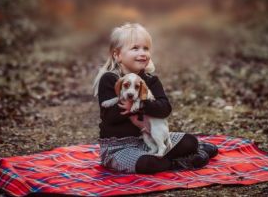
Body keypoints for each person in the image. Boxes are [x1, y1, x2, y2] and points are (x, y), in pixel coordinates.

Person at [93, 23, 218, 174]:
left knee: (190, 141)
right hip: (119, 148)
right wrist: (126, 106)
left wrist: (140, 106)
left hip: (149, 139)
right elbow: (110, 117)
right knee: (149, 164)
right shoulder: (110, 79)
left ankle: (194, 149)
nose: (143, 53)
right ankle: (183, 160)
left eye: (146, 48)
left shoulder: (150, 81)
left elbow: (165, 108)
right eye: (135, 48)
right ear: (117, 55)